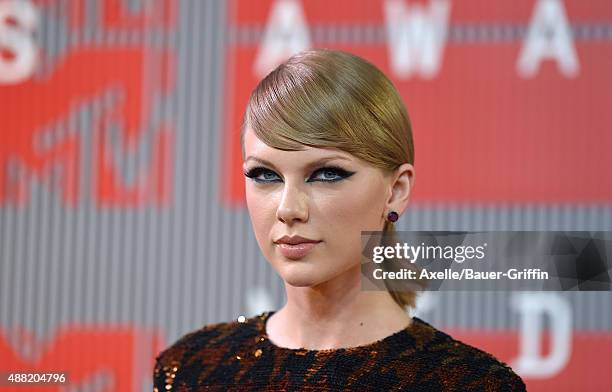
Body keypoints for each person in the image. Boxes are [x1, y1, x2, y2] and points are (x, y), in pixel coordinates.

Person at [153, 48, 526, 391]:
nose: (288, 209)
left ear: (395, 190)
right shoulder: (192, 368)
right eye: (265, 175)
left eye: (327, 174)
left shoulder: (470, 385)